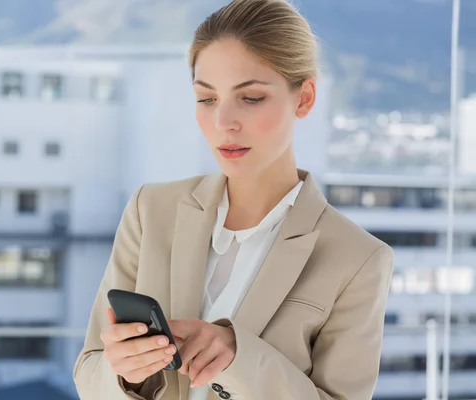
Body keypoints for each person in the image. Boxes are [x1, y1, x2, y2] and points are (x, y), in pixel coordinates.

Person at [73, 0, 395, 399]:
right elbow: (90, 371)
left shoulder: (357, 258)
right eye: (207, 99)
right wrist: (128, 375)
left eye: (251, 97)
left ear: (305, 98)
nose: (223, 122)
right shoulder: (150, 210)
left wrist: (239, 359)